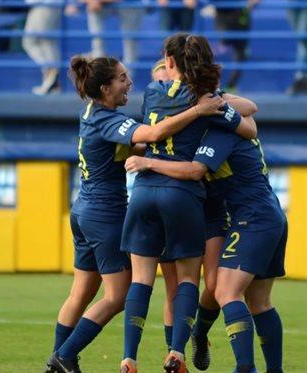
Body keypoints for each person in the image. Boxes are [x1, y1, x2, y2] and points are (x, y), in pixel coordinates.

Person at [42, 54, 226, 373]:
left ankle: (56, 359)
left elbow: (140, 145)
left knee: (81, 292)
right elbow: (151, 136)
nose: (130, 83)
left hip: (84, 208)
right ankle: (63, 356)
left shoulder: (91, 113)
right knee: (117, 296)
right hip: (105, 213)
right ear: (105, 87)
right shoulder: (108, 119)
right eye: (123, 78)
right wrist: (197, 110)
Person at [119, 33, 258, 373]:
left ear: (170, 64)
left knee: (149, 281)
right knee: (184, 282)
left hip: (151, 194)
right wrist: (206, 105)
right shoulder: (204, 103)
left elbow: (150, 134)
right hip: (183, 197)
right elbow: (249, 116)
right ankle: (176, 352)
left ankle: (131, 357)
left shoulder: (151, 94)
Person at [125, 107, 285, 373]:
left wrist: (148, 162)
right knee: (257, 301)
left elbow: (196, 170)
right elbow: (248, 110)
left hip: (252, 217)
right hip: (267, 213)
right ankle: (270, 368)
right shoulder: (228, 117)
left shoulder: (218, 131)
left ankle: (243, 367)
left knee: (224, 291)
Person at [151, 59, 259, 369]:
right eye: (160, 83)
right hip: (173, 204)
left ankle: (199, 332)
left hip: (210, 207)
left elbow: (251, 113)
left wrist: (214, 101)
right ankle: (175, 356)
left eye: (170, 80)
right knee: (174, 289)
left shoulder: (207, 105)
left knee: (213, 285)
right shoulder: (157, 118)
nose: (167, 89)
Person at [210, 0, 260, 91]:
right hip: (223, 15)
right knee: (223, 48)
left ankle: (230, 86)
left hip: (240, 17)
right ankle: (213, 86)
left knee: (241, 53)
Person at [85, 0, 144, 77]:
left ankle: (127, 77)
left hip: (130, 5)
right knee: (93, 11)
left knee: (130, 42)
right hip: (104, 5)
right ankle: (97, 66)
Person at [23, 0, 62, 95]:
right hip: (51, 6)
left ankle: (50, 73)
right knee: (48, 43)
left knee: (31, 42)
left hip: (42, 6)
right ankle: (52, 84)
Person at [287, 1, 307, 94]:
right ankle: (301, 78)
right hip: (292, 4)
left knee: (302, 36)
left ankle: (300, 77)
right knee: (300, 39)